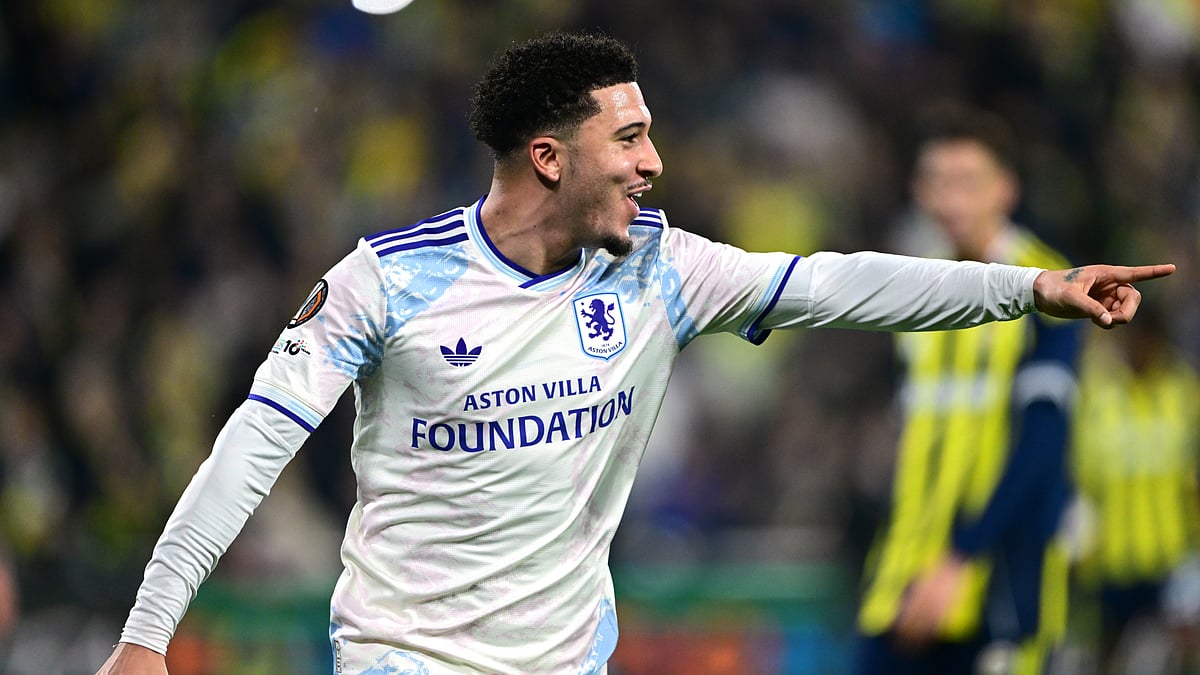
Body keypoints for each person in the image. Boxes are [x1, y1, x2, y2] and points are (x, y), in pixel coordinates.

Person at [95, 32, 1172, 675]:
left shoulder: (661, 270)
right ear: (550, 156)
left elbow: (840, 283)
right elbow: (252, 446)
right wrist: (150, 635)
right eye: (631, 139)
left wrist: (1030, 288)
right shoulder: (389, 281)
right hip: (404, 658)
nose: (656, 163)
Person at [855, 107, 1085, 674]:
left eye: (968, 183)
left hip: (1001, 583)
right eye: (937, 182)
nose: (951, 200)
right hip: (901, 579)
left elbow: (1042, 447)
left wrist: (961, 560)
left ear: (1005, 189)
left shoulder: (1051, 285)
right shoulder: (915, 291)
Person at [1070, 301, 1200, 673]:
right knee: (1105, 659)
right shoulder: (1094, 391)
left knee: (1176, 660)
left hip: (1170, 561)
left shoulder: (1184, 391)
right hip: (1108, 562)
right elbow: (1076, 475)